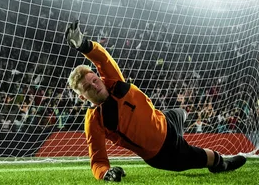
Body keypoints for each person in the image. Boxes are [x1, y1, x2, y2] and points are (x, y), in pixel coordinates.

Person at [65, 21, 246, 182]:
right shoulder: (95, 120)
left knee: (181, 113)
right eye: (88, 87)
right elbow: (98, 159)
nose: (95, 86)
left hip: (164, 121)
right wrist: (105, 173)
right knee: (201, 156)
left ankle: (181, 124)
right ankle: (221, 164)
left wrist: (83, 45)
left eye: (94, 80)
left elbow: (103, 59)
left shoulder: (114, 83)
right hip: (163, 152)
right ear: (82, 97)